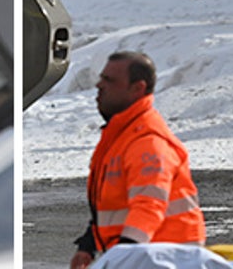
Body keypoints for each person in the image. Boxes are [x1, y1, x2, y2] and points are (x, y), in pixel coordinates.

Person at [71, 51, 203, 269]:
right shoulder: (122, 136)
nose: (99, 85)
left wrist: (123, 258)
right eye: (102, 78)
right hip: (146, 257)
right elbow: (114, 204)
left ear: (137, 89)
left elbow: (148, 206)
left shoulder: (147, 142)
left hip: (165, 259)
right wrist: (88, 244)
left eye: (109, 80)